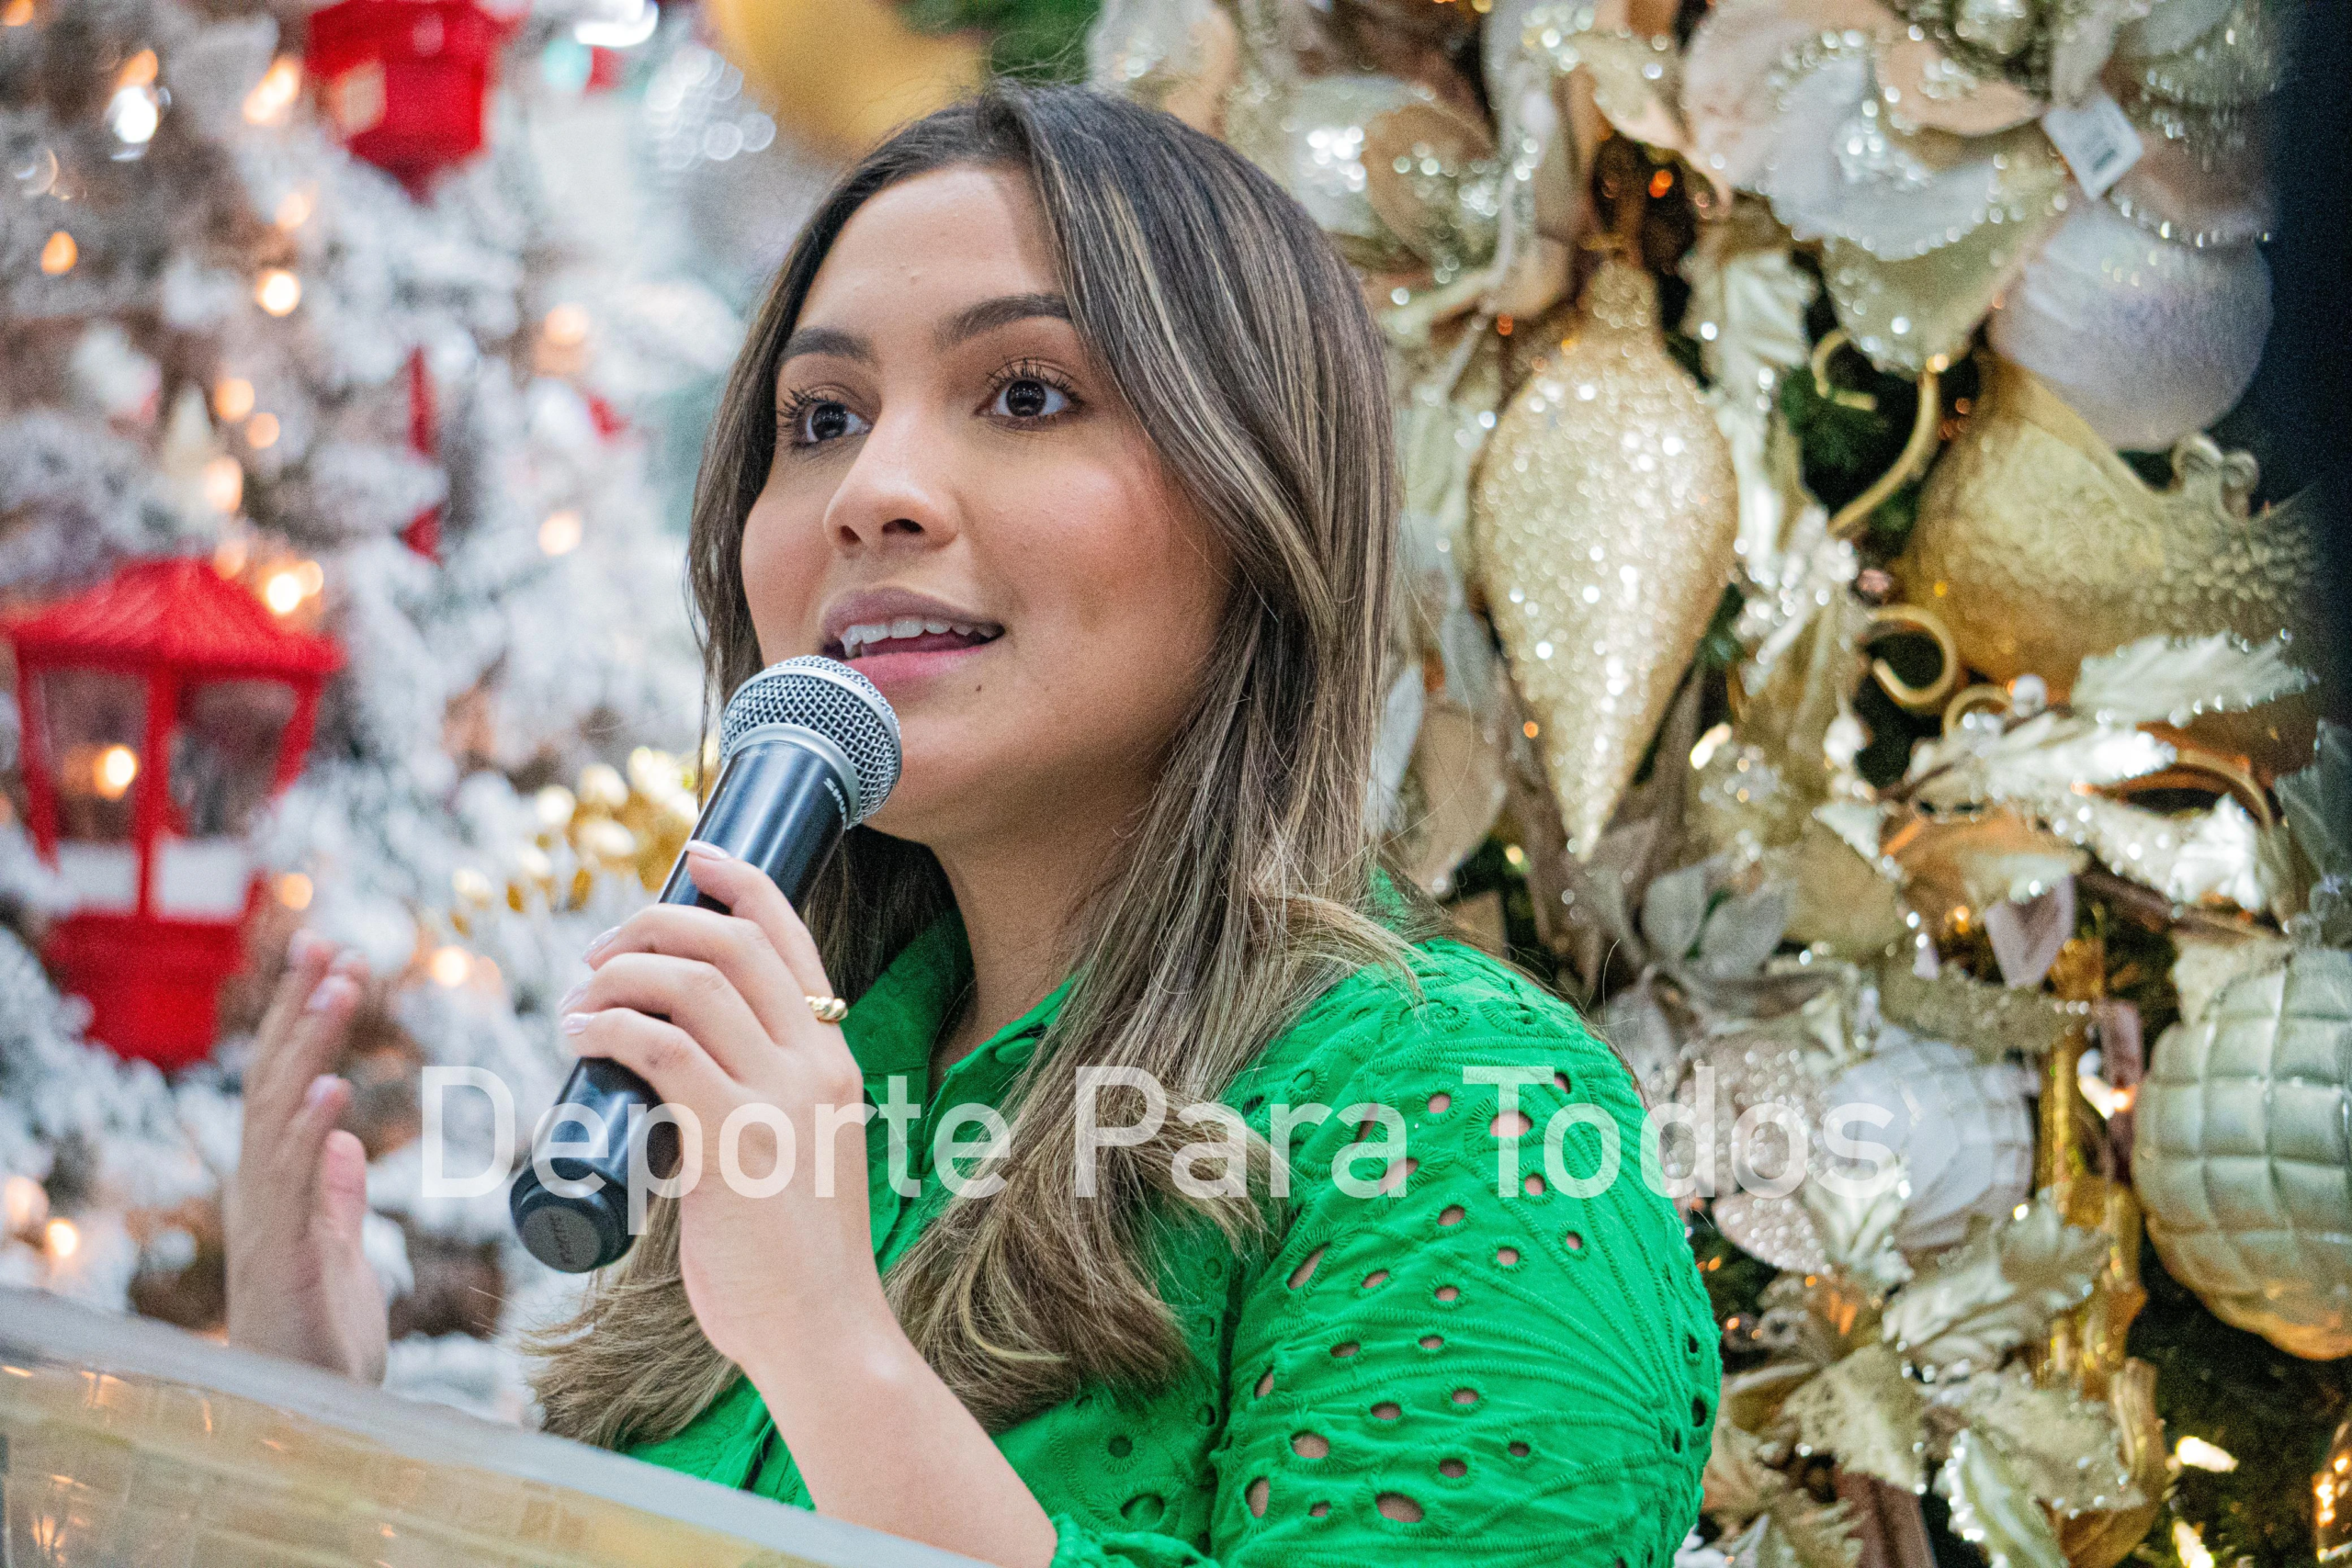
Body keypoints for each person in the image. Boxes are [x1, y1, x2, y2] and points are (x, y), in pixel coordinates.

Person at [226, 85, 1718, 1568]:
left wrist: (832, 1352)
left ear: (1259, 503)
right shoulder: (821, 1086)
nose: (869, 493)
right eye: (820, 419)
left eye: (1026, 394)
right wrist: (307, 1457)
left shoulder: (1475, 1112)